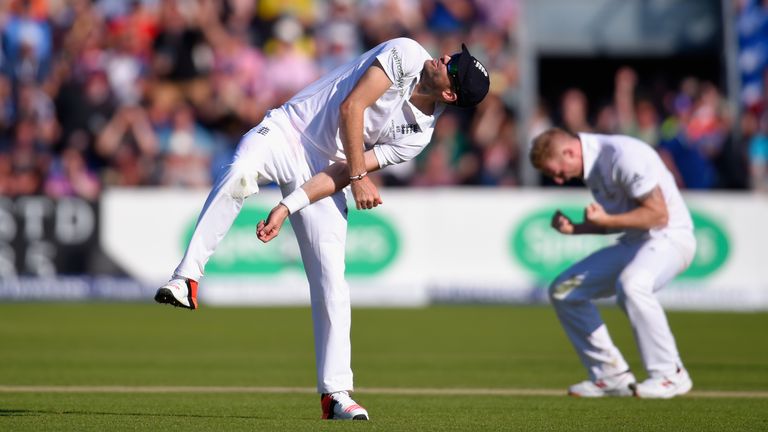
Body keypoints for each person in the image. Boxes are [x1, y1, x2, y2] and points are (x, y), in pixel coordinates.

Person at [154, 37, 490, 419]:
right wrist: (361, 175)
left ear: (449, 93)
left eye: (454, 67)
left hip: (327, 168)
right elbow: (353, 107)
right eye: (455, 57)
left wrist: (286, 206)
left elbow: (342, 171)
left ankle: (335, 395)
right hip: (288, 130)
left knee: (332, 279)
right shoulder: (409, 53)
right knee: (239, 174)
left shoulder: (418, 136)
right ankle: (187, 277)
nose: (445, 57)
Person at [529, 127, 696, 399]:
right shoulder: (591, 166)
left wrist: (606, 221)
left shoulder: (622, 155)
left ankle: (670, 374)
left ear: (570, 152)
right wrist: (578, 229)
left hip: (671, 238)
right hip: (637, 242)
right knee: (563, 290)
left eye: (557, 172)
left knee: (632, 285)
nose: (559, 180)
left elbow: (658, 215)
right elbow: (623, 220)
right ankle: (610, 374)